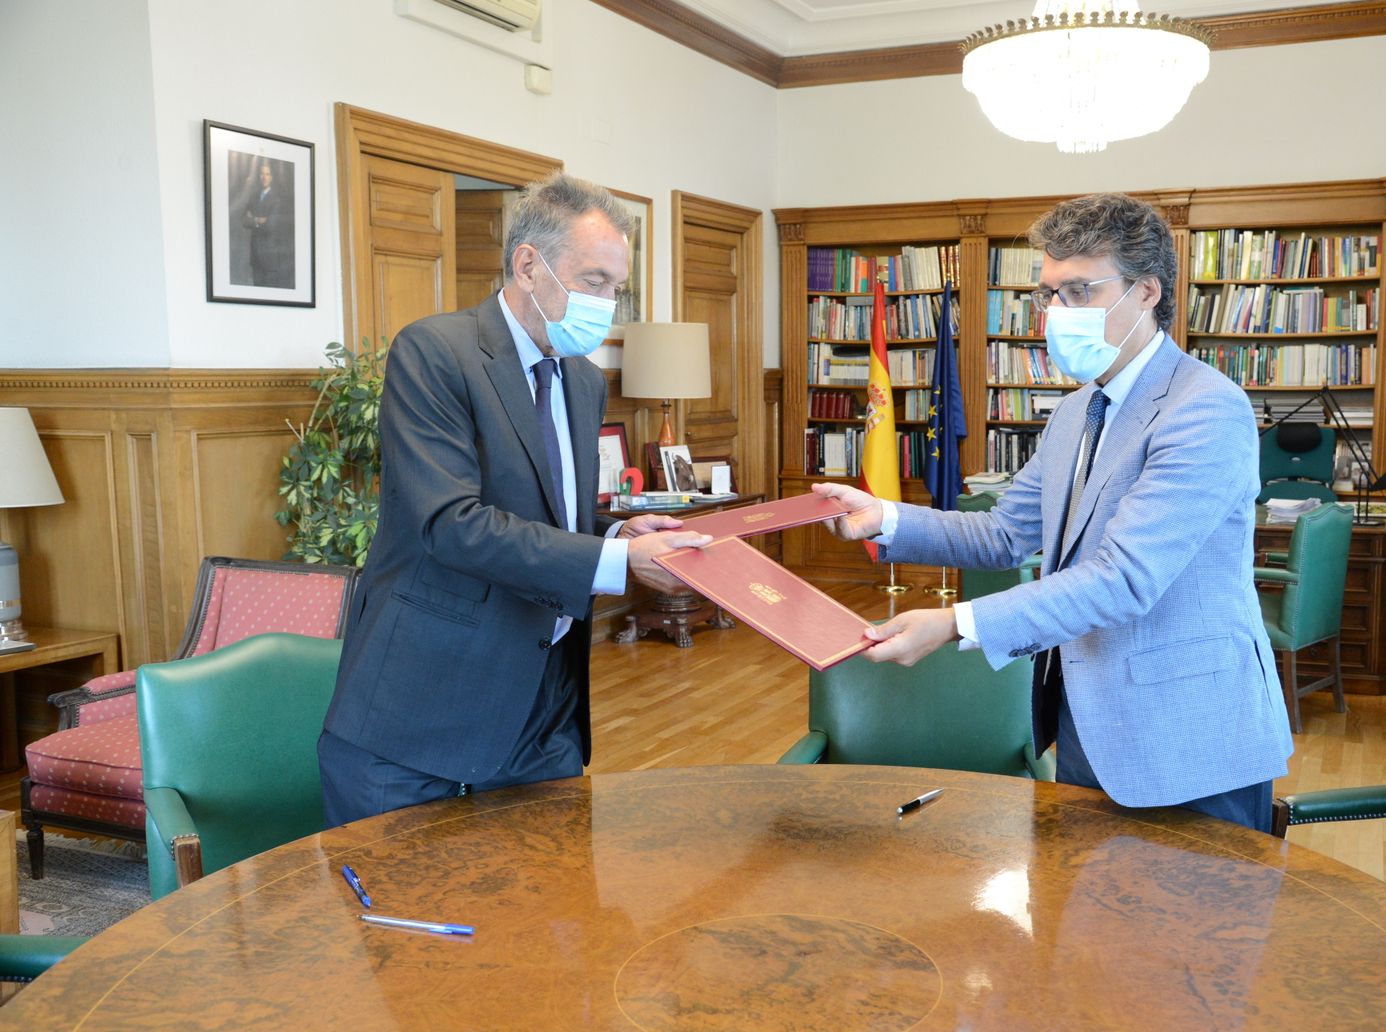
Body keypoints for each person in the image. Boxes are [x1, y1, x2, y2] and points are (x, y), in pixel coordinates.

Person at [813, 193, 1292, 833]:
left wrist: (957, 622)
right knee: (1087, 925)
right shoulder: (1074, 412)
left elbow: (1125, 578)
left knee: (1190, 930)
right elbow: (1008, 532)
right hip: (1084, 714)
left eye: (1079, 292)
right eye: (1049, 294)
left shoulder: (1206, 409)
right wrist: (886, 519)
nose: (1057, 314)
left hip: (1187, 735)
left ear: (1146, 292)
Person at [319, 173, 711, 827]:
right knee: (410, 927)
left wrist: (618, 536)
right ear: (529, 265)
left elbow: (551, 517)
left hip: (543, 712)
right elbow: (451, 523)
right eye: (594, 281)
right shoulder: (435, 353)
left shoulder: (584, 381)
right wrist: (617, 566)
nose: (607, 305)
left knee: (548, 917)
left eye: (617, 288)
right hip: (420, 719)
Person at [239, 157, 292, 288]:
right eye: (262, 174)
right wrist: (259, 220)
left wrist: (253, 219)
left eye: (267, 174)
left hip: (270, 257)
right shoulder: (253, 197)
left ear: (272, 177)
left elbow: (270, 226)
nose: (264, 177)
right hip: (255, 255)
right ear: (258, 176)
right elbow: (244, 221)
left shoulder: (277, 200)